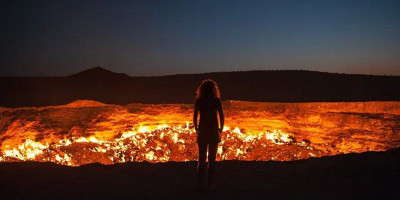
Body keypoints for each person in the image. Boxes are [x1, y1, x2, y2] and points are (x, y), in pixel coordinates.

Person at [193, 79, 224, 189]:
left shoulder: (199, 101)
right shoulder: (217, 101)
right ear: (214, 89)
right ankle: (210, 183)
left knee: (201, 160)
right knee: (212, 160)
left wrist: (197, 128)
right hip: (213, 132)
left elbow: (195, 116)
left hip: (203, 132)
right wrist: (220, 129)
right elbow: (221, 116)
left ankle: (200, 183)